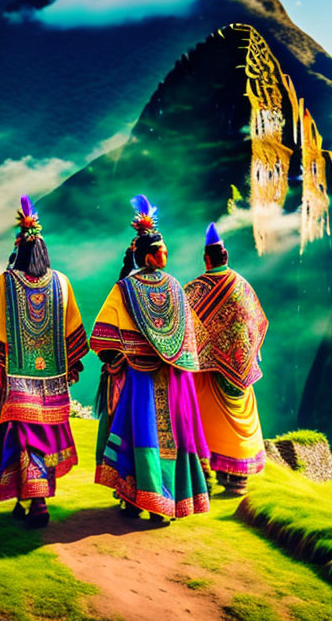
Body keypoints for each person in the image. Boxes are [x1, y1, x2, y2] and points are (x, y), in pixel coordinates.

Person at [91, 195, 211, 522]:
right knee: (166, 436)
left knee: (138, 434)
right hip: (169, 377)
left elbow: (102, 335)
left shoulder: (125, 288)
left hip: (139, 377)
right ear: (147, 255)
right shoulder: (173, 286)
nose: (166, 254)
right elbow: (187, 335)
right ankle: (161, 502)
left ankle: (137, 497)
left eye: (166, 250)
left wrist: (116, 361)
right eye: (161, 250)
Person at [0, 195, 89, 528]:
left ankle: (34, 500)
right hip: (52, 386)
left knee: (20, 441)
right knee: (39, 440)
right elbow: (74, 338)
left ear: (19, 250)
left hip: (15, 384)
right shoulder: (62, 283)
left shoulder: (3, 283)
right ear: (43, 251)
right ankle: (35, 498)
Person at [185, 223, 268, 495]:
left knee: (206, 420)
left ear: (207, 259)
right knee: (238, 420)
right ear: (226, 257)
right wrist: (247, 353)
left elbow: (184, 326)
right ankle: (238, 479)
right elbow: (258, 322)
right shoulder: (243, 285)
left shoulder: (196, 288)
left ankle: (207, 475)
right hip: (241, 369)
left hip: (209, 371)